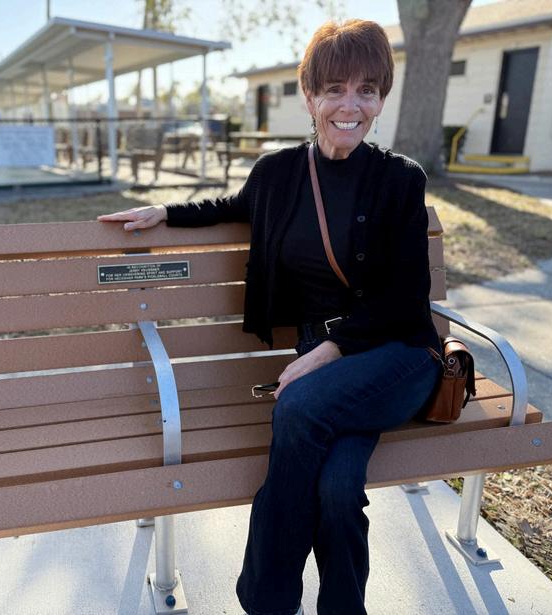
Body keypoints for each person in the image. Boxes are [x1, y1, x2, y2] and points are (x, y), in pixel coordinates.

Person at [99, 19, 442, 615]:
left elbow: (407, 300)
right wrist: (167, 212)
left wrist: (330, 349)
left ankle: (266, 602)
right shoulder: (278, 173)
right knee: (337, 489)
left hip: (397, 357)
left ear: (381, 99)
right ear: (309, 97)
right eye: (334, 89)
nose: (350, 106)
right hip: (326, 363)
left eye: (366, 90)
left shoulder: (400, 180)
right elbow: (231, 205)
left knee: (300, 405)